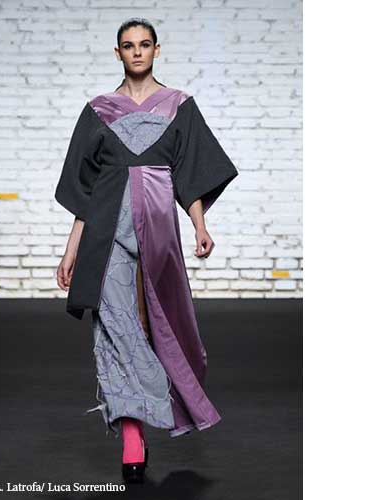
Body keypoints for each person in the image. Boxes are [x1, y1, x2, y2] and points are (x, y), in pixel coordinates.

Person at [54, 17, 238, 484]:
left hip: (159, 232)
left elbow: (190, 171)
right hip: (105, 235)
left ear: (156, 49)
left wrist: (200, 224)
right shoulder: (98, 111)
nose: (136, 51)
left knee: (165, 326)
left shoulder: (178, 106)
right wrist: (71, 250)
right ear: (118, 52)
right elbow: (85, 190)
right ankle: (133, 437)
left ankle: (160, 402)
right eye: (128, 45)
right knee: (115, 329)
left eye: (144, 44)